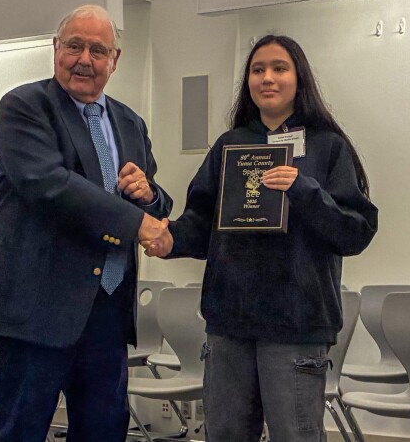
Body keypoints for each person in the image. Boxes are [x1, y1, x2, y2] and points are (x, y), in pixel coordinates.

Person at [146, 35, 378, 441]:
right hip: (229, 323)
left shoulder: (328, 148)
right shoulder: (229, 146)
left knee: (296, 435)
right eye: (257, 70)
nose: (267, 78)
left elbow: (355, 231)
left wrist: (303, 190)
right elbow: (201, 219)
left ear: (299, 78)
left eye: (278, 68)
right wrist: (171, 241)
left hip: (296, 324)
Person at [0, 4, 173, 442]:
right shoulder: (25, 106)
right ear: (55, 49)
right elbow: (49, 185)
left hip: (108, 311)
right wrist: (136, 220)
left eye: (98, 50)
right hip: (36, 309)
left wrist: (148, 195)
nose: (85, 59)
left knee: (104, 432)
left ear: (115, 61)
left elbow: (155, 205)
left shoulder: (130, 122)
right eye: (74, 46)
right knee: (19, 433)